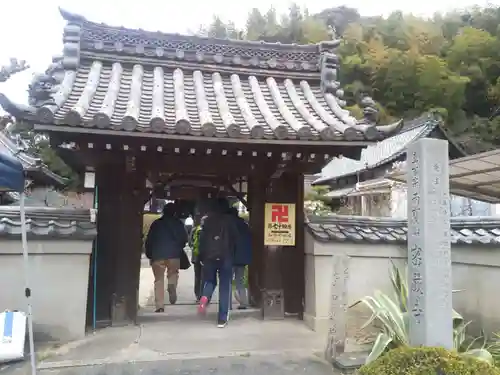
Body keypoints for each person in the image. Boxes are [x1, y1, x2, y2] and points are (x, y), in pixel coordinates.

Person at [197, 198, 239, 328]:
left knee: (210, 281)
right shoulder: (230, 221)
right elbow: (236, 239)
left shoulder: (207, 221)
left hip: (209, 257)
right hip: (226, 257)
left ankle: (205, 297)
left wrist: (202, 257)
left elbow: (202, 241)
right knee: (225, 287)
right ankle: (222, 319)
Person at [145, 203, 187, 313]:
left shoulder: (156, 224)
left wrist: (149, 253)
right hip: (174, 254)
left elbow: (149, 240)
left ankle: (159, 306)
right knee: (173, 273)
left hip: (157, 255)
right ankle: (172, 285)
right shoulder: (178, 223)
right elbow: (184, 239)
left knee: (158, 280)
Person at [229, 207, 252, 310]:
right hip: (242, 258)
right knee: (240, 281)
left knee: (227, 281)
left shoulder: (228, 225)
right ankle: (244, 303)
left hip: (230, 257)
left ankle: (227, 304)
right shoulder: (244, 225)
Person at [189, 213, 204, 302]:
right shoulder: (207, 229)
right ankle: (204, 296)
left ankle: (198, 295)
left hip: (196, 257)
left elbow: (190, 243)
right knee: (205, 276)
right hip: (206, 257)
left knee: (197, 276)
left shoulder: (194, 230)